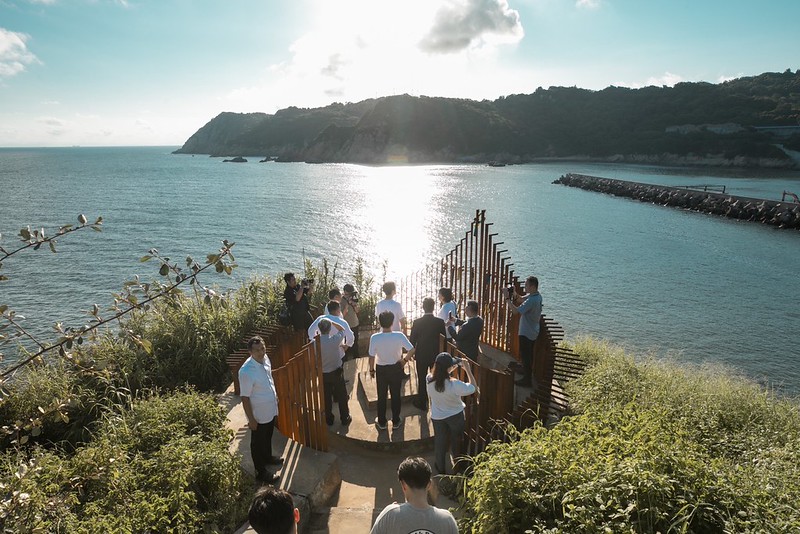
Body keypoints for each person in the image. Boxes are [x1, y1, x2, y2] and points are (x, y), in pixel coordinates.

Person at [370, 456, 459, 534]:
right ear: (429, 484)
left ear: (403, 485)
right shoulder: (447, 520)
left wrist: (392, 511)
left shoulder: (390, 515)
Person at [239, 336, 283, 484]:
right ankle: (261, 471)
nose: (261, 352)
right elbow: (245, 398)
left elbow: (269, 379)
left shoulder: (265, 359)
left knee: (268, 435)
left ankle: (268, 457)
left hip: (270, 408)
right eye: (257, 350)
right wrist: (251, 419)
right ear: (250, 352)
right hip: (258, 414)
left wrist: (275, 396)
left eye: (262, 348)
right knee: (257, 443)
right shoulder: (246, 372)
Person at [427, 352, 477, 475]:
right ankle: (458, 466)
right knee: (457, 441)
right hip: (456, 416)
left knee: (440, 441)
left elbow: (443, 372)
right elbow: (473, 387)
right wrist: (468, 370)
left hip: (437, 417)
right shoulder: (454, 385)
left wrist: (454, 365)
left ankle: (440, 467)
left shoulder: (428, 378)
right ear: (448, 368)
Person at [368, 310, 416, 430]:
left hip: (381, 369)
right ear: (392, 321)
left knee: (381, 395)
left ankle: (382, 421)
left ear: (380, 322)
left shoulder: (375, 337)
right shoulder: (399, 335)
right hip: (396, 368)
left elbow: (371, 356)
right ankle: (395, 420)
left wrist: (371, 370)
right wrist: (404, 360)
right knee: (396, 395)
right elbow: (412, 349)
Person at [410, 297, 447, 411]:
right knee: (437, 378)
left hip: (421, 354)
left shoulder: (417, 322)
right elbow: (443, 339)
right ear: (434, 307)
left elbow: (412, 341)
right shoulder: (440, 322)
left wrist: (411, 353)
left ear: (423, 307)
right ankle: (437, 401)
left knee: (422, 379)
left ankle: (423, 402)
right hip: (436, 355)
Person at [314, 318, 352, 426]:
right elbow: (343, 330)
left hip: (323, 374)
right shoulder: (334, 340)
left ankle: (329, 419)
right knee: (342, 395)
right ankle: (345, 417)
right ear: (330, 329)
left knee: (326, 397)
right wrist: (332, 322)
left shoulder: (315, 343)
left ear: (320, 329)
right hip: (336, 372)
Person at [506, 276, 542, 388]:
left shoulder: (532, 300)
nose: (525, 287)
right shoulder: (536, 296)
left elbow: (515, 311)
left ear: (532, 286)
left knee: (526, 356)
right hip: (533, 330)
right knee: (528, 355)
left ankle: (527, 381)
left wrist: (507, 299)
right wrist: (514, 293)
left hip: (527, 332)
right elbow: (520, 299)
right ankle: (525, 371)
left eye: (526, 285)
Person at [341, 283, 361, 358]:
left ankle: (356, 356)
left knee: (355, 342)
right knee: (346, 342)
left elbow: (357, 311)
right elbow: (342, 315)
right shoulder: (341, 301)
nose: (349, 295)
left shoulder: (353, 298)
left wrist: (354, 304)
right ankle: (345, 358)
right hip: (346, 325)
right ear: (345, 292)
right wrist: (347, 304)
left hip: (355, 323)